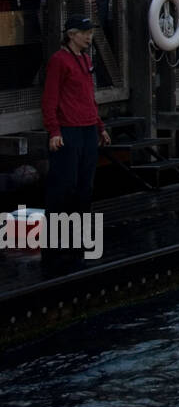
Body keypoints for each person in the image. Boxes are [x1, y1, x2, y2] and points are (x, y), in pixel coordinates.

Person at [41, 15, 112, 273]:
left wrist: (100, 127)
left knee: (84, 188)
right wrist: (54, 130)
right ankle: (53, 249)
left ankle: (77, 246)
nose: (88, 36)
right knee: (63, 188)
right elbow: (50, 99)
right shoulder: (59, 61)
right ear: (71, 34)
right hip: (68, 130)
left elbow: (88, 97)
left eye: (90, 32)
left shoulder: (85, 59)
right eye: (84, 32)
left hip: (87, 130)